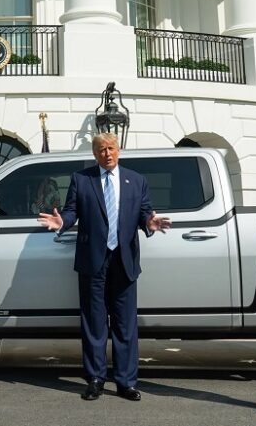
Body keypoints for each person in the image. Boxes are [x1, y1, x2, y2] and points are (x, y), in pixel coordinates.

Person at [38, 133, 170, 401]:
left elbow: (145, 212)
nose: (106, 154)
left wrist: (149, 223)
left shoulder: (137, 181)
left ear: (118, 150)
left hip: (124, 261)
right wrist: (61, 221)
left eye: (110, 148)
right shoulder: (81, 179)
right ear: (94, 153)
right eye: (100, 150)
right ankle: (95, 378)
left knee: (125, 325)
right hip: (93, 261)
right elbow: (72, 211)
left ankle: (126, 382)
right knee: (94, 324)